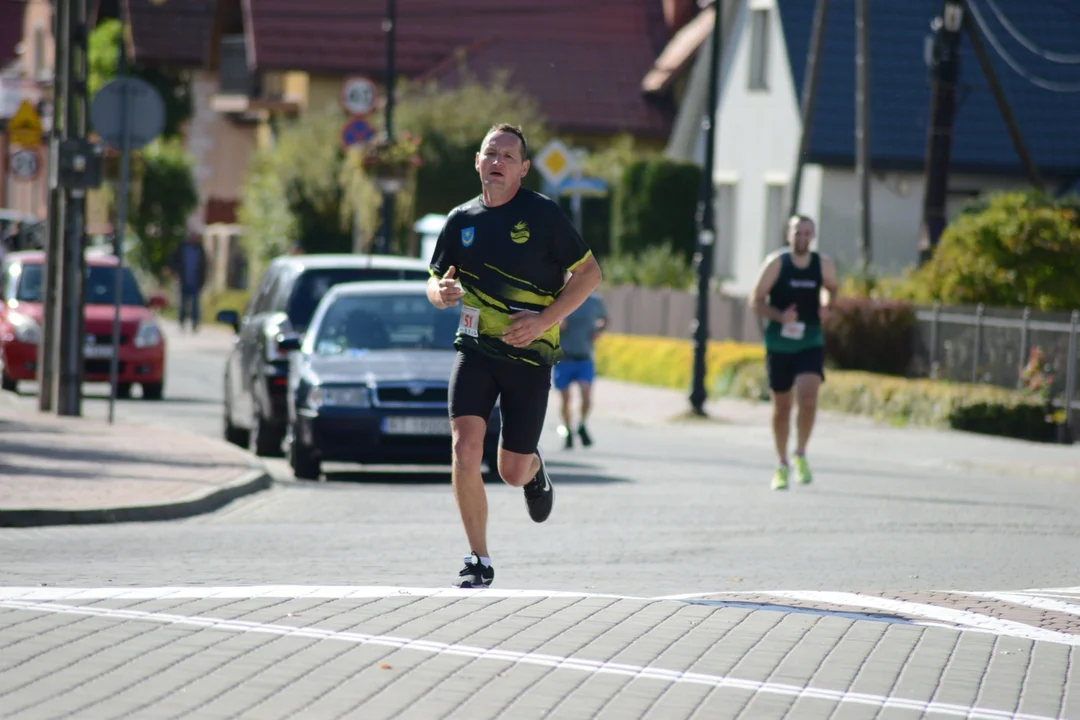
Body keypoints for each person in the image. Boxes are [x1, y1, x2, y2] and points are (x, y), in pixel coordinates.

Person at [427, 123, 602, 589]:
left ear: (524, 169)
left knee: (510, 470)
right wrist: (440, 293)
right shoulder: (460, 220)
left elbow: (589, 274)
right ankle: (477, 558)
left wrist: (545, 321)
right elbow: (434, 280)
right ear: (478, 161)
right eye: (491, 153)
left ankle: (535, 468)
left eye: (508, 156)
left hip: (528, 356)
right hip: (475, 348)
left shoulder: (542, 215)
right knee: (464, 447)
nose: (498, 162)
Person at [749, 214, 838, 491]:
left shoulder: (822, 264)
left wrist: (827, 307)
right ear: (788, 234)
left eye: (807, 233)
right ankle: (781, 462)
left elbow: (832, 289)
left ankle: (800, 454)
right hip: (780, 343)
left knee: (808, 396)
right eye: (797, 233)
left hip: (810, 339)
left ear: (813, 235)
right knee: (782, 406)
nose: (802, 238)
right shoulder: (777, 264)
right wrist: (779, 316)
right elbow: (755, 301)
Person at [553, 292, 608, 449]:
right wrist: (557, 324)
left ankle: (582, 424)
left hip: (584, 357)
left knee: (586, 393)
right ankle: (568, 429)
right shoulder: (561, 298)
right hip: (564, 358)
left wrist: (599, 331)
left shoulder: (595, 301)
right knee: (566, 398)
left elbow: (605, 319)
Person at [169, 232, 209, 332]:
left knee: (195, 305)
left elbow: (205, 267)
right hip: (184, 281)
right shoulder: (182, 248)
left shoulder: (200, 250)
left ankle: (195, 324)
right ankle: (181, 323)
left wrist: (203, 281)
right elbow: (173, 260)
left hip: (196, 282)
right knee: (182, 303)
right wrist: (174, 271)